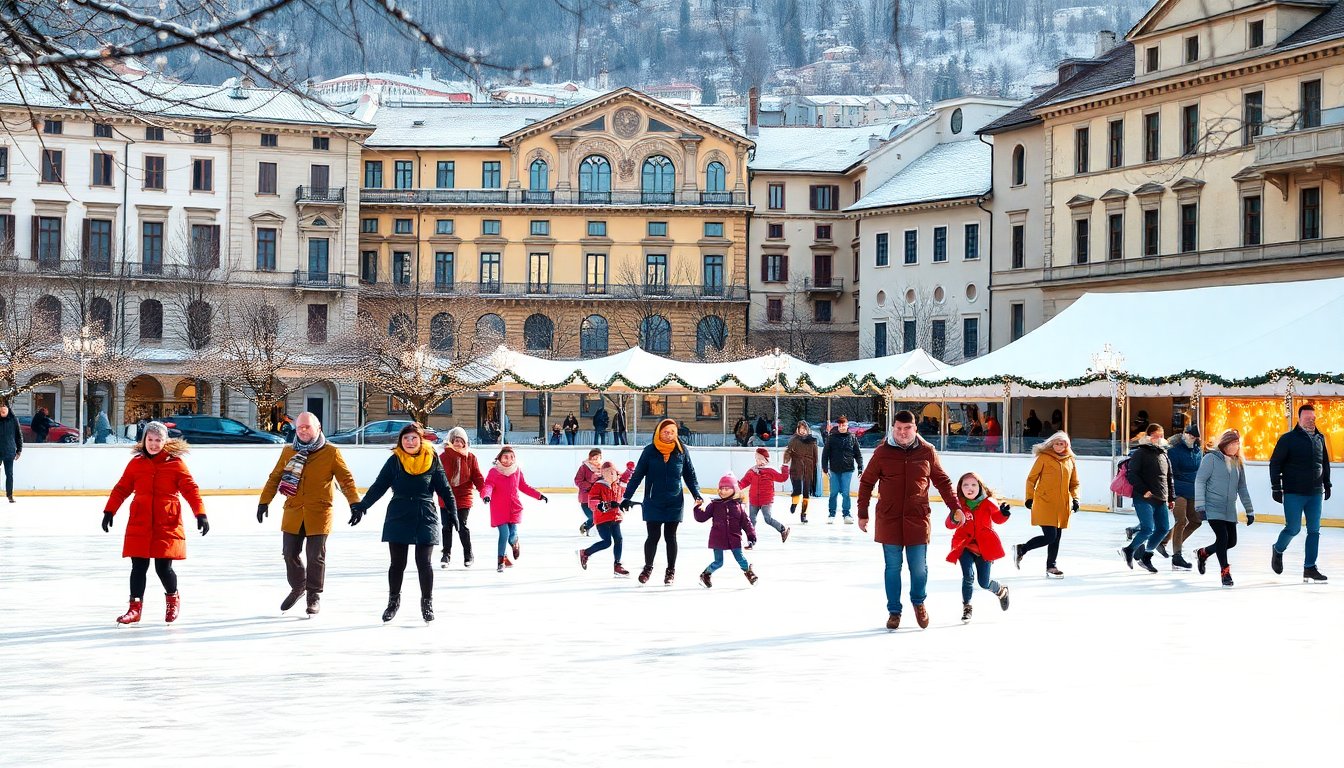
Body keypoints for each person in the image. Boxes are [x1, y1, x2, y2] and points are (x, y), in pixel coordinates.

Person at [858, 410, 958, 631]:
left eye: (907, 428)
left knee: (919, 568)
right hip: (889, 517)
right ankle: (894, 611)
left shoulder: (927, 452)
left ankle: (919, 602)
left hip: (917, 517)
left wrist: (955, 507)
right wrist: (862, 513)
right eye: (898, 429)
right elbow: (866, 483)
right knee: (892, 568)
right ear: (893, 428)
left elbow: (942, 482)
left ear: (915, 429)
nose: (902, 433)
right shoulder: (882, 452)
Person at [100, 421, 207, 624]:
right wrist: (109, 510)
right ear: (144, 440)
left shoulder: (175, 463)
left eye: (158, 440)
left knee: (163, 568)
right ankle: (134, 609)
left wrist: (200, 514)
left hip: (166, 521)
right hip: (140, 520)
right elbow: (122, 488)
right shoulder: (136, 463)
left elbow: (190, 489)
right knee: (138, 566)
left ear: (165, 441)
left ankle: (172, 598)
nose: (154, 444)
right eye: (150, 440)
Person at [350, 423, 456, 623]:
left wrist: (453, 512)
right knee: (397, 563)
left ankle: (427, 603)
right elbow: (379, 486)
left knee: (424, 562)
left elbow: (444, 488)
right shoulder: (395, 461)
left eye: (413, 438)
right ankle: (393, 602)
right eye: (406, 438)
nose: (409, 442)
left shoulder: (432, 460)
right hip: (398, 514)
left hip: (425, 514)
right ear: (401, 440)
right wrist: (362, 506)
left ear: (421, 439)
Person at [258, 411, 360, 615]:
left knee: (315, 556)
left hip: (319, 512)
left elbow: (346, 480)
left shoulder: (331, 452)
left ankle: (313, 594)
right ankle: (298, 586)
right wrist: (264, 501)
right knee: (289, 553)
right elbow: (275, 477)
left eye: (308, 427)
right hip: (294, 510)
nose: (303, 430)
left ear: (318, 428)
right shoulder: (288, 452)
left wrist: (354, 503)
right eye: (300, 427)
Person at [621, 417, 703, 586]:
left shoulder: (681, 450)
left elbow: (690, 474)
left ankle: (670, 570)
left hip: (675, 500)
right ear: (659, 432)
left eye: (672, 432)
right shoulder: (650, 451)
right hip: (653, 500)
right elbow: (637, 476)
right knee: (653, 536)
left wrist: (697, 494)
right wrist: (626, 496)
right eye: (666, 432)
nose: (669, 435)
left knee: (670, 537)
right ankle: (648, 568)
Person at [1269, 403, 1331, 582]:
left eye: (1313, 418)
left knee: (1314, 530)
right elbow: (1275, 463)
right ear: (1299, 419)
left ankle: (1310, 568)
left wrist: (1327, 484)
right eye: (1307, 418)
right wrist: (1276, 487)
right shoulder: (1288, 439)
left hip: (1315, 493)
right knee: (1293, 528)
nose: (1311, 421)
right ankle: (1278, 549)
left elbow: (1324, 462)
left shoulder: (1320, 438)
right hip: (1294, 492)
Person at [946, 472, 1012, 623]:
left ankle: (1001, 590)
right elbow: (949, 524)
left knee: (984, 583)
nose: (970, 488)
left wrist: (1003, 513)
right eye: (965, 485)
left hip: (984, 548)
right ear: (960, 488)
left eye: (974, 485)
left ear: (980, 487)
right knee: (968, 576)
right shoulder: (959, 505)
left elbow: (998, 519)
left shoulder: (989, 502)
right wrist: (953, 518)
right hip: (965, 546)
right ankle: (967, 607)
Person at [1193, 429, 1254, 587]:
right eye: (1233, 443)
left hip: (1229, 508)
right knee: (1222, 538)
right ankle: (1225, 572)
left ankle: (1203, 552)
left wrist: (1249, 510)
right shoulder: (1211, 458)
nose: (1236, 446)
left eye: (1238, 443)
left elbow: (1242, 487)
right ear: (1225, 444)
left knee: (1231, 541)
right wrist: (1200, 505)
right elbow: (1200, 481)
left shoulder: (1237, 462)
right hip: (1213, 506)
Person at [1014, 431, 1080, 578]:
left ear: (1066, 445)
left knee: (1057, 537)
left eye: (1061, 444)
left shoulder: (1070, 460)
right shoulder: (1044, 458)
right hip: (1044, 502)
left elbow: (1074, 483)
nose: (1058, 446)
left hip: (1062, 505)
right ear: (1052, 444)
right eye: (1056, 443)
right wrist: (1029, 498)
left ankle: (1051, 566)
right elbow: (1031, 479)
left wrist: (1076, 499)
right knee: (1050, 536)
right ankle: (1022, 549)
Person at [482, 445, 547, 573]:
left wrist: (539, 495)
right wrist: (486, 495)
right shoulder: (494, 472)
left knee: (512, 536)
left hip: (514, 507)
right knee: (504, 533)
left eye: (511, 457)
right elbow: (488, 485)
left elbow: (524, 486)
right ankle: (500, 561)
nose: (508, 460)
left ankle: (514, 544)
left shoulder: (516, 471)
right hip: (499, 509)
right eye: (505, 457)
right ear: (499, 458)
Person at [1120, 424, 1175, 574]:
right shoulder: (1140, 453)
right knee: (1147, 528)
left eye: (1161, 435)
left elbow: (1169, 478)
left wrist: (1171, 497)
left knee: (1163, 528)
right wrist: (1143, 490)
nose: (1159, 439)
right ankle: (1130, 549)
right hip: (1143, 497)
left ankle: (1146, 555)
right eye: (1156, 435)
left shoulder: (1163, 453)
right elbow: (1132, 474)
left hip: (1160, 497)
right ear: (1148, 436)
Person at [695, 473, 757, 588]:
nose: (723, 491)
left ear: (734, 490)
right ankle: (706, 574)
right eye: (721, 488)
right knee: (718, 562)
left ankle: (749, 573)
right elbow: (701, 518)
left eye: (727, 489)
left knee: (740, 558)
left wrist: (751, 536)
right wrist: (696, 508)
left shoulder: (739, 506)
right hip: (718, 538)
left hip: (734, 537)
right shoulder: (715, 505)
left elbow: (747, 523)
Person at [439, 426, 484, 568]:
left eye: (461, 441)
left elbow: (477, 476)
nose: (458, 443)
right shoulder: (443, 457)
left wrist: (484, 492)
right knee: (446, 526)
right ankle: (446, 554)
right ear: (451, 441)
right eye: (455, 440)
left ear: (465, 443)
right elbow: (436, 476)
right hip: (446, 497)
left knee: (462, 526)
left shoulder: (470, 458)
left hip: (464, 497)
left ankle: (468, 554)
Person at [1161, 423, 1203, 570]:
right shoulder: (1174, 451)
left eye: (1195, 436)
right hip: (1177, 489)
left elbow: (1199, 470)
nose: (1192, 437)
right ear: (1184, 434)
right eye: (1190, 434)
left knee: (1196, 521)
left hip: (1192, 489)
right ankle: (1177, 555)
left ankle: (1167, 541)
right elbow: (1173, 472)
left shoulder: (1198, 451)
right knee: (1180, 521)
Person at [578, 461, 628, 576]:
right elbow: (592, 502)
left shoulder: (617, 485)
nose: (610, 475)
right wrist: (603, 505)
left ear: (616, 473)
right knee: (607, 542)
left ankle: (617, 565)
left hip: (615, 517)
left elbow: (625, 483)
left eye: (612, 473)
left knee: (619, 540)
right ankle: (585, 553)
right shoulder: (598, 485)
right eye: (606, 473)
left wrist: (629, 471)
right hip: (602, 519)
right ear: (602, 474)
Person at [738, 447, 790, 544]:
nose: (758, 461)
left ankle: (782, 529)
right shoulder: (752, 471)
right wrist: (735, 486)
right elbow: (744, 482)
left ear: (766, 460)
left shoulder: (770, 471)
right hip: (754, 499)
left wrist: (785, 466)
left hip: (766, 499)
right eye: (757, 458)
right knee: (751, 520)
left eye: (761, 459)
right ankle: (751, 540)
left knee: (768, 519)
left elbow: (782, 478)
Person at [821, 415, 863, 524]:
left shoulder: (852, 437)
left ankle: (846, 514)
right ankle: (831, 513)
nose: (841, 427)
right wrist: (825, 467)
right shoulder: (831, 438)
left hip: (847, 469)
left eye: (843, 425)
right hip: (834, 469)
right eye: (839, 425)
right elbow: (825, 454)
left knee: (845, 492)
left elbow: (858, 454)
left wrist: (860, 468)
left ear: (847, 426)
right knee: (833, 492)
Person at [782, 420, 819, 523]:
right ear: (798, 429)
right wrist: (785, 462)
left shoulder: (812, 441)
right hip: (796, 467)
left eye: (804, 429)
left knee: (806, 492)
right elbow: (788, 452)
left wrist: (814, 467)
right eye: (801, 429)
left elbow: (815, 455)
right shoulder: (794, 440)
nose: (802, 431)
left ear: (807, 430)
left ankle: (803, 514)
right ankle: (794, 503)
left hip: (808, 467)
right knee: (797, 489)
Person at [575, 448, 603, 535]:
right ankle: (586, 527)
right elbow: (578, 481)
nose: (594, 460)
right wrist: (590, 485)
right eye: (592, 458)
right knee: (594, 516)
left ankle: (587, 527)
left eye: (597, 458)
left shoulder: (603, 468)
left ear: (600, 457)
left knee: (600, 516)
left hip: (599, 498)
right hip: (586, 499)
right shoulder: (584, 467)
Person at [0, 403, 22, 503]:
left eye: (4, 411)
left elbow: (18, 436)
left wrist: (19, 450)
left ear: (8, 410)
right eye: (0, 411)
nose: (2, 412)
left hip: (9, 451)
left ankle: (10, 495)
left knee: (9, 474)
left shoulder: (13, 420)